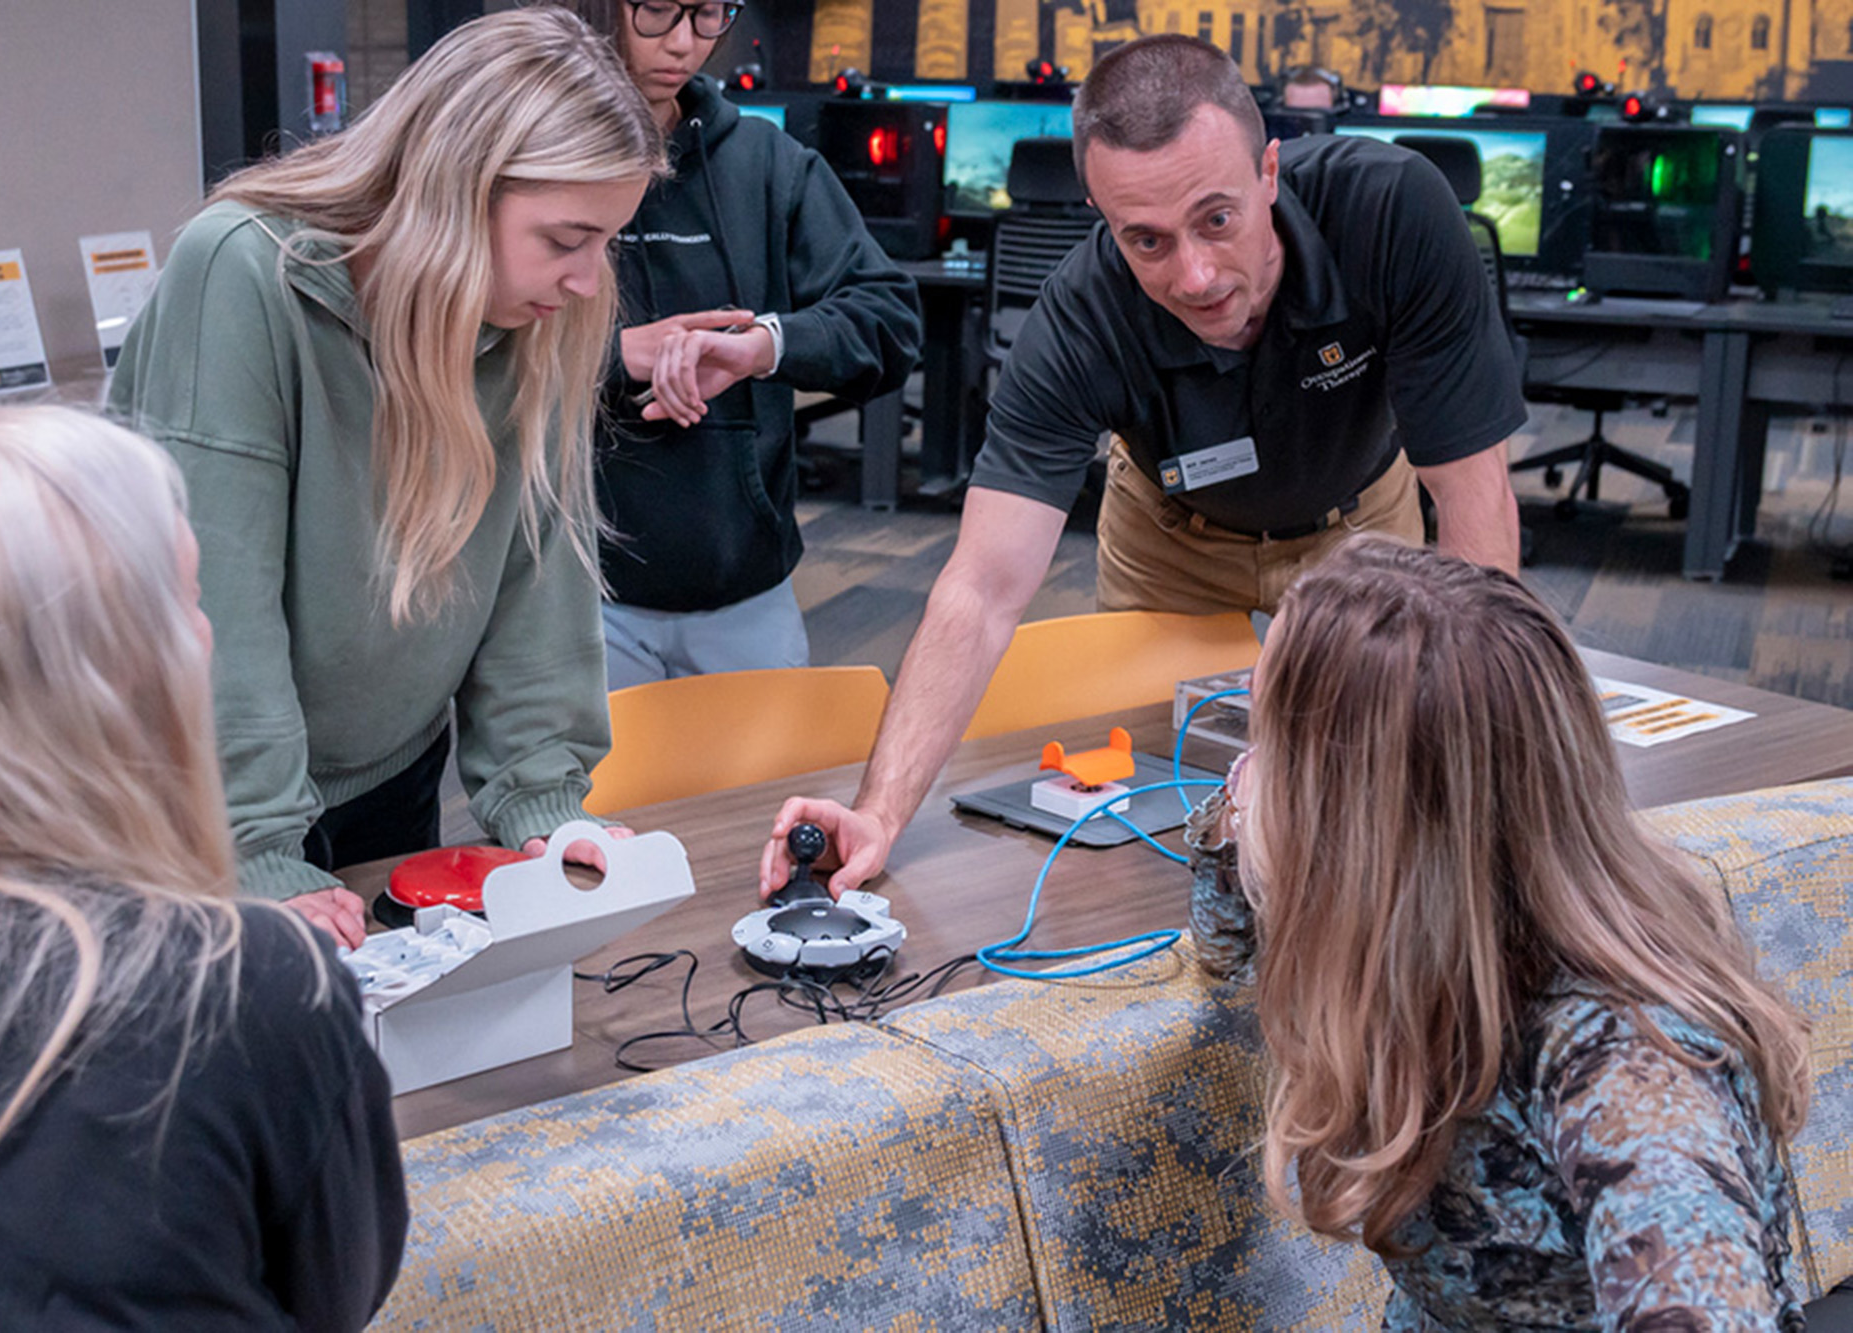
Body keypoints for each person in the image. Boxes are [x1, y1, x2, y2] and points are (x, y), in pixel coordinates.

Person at [760, 34, 1525, 899]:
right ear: (1100, 213)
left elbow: (1472, 501)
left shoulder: (1389, 211)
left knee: (1382, 793)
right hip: (1173, 536)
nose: (1195, 275)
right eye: (1147, 240)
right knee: (1154, 812)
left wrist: (1482, 767)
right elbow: (980, 590)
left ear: (1269, 171)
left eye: (1217, 219)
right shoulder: (1081, 318)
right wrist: (882, 812)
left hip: (1361, 526)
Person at [111, 9, 667, 945]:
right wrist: (250, 848)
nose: (586, 279)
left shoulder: (542, 314)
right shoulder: (244, 271)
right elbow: (216, 596)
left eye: (605, 241)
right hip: (201, 800)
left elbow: (540, 575)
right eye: (566, 238)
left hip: (386, 775)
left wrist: (544, 803)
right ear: (457, 189)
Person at [0, 406, 405, 1330]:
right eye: (187, 601)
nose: (207, 637)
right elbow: (336, 1297)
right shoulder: (244, 986)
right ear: (113, 677)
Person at [1185, 536, 1810, 1326]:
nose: (1251, 761)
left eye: (1266, 735)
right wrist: (1235, 825)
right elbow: (1229, 948)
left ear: (1355, 817)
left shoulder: (1619, 1053)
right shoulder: (1421, 927)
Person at [585, 0, 921, 688]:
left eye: (708, 14)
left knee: (761, 796)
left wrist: (764, 345)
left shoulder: (767, 163)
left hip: (745, 587)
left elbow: (888, 320)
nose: (684, 42)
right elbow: (461, 340)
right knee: (600, 798)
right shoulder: (537, 160)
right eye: (656, 11)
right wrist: (621, 356)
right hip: (578, 592)